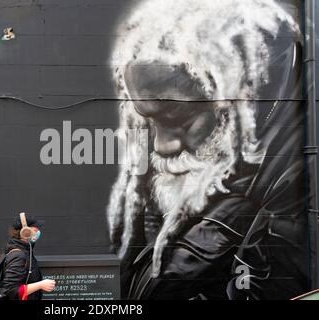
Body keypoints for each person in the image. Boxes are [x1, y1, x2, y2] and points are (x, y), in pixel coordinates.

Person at [107, 0, 309, 299]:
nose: (163, 146)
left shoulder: (290, 174)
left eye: (178, 117)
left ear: (245, 96)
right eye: (151, 121)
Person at [0, 212, 55, 300]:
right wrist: (41, 285)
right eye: (35, 229)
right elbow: (11, 291)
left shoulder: (26, 250)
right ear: (25, 232)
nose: (38, 231)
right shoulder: (18, 256)